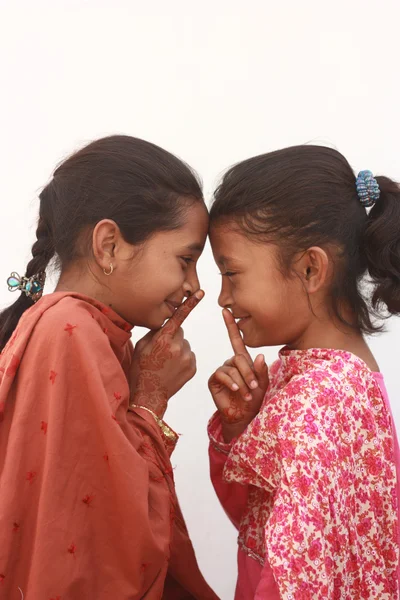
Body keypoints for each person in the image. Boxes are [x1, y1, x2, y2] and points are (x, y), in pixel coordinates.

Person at [0, 135, 217, 599]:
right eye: (186, 260)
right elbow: (107, 545)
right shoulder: (71, 332)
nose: (195, 288)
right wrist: (152, 399)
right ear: (109, 245)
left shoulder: (90, 330)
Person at [207, 145, 400, 599]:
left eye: (232, 274)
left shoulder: (316, 401)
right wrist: (242, 427)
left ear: (311, 268)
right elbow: (263, 518)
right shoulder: (340, 381)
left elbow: (292, 576)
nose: (222, 297)